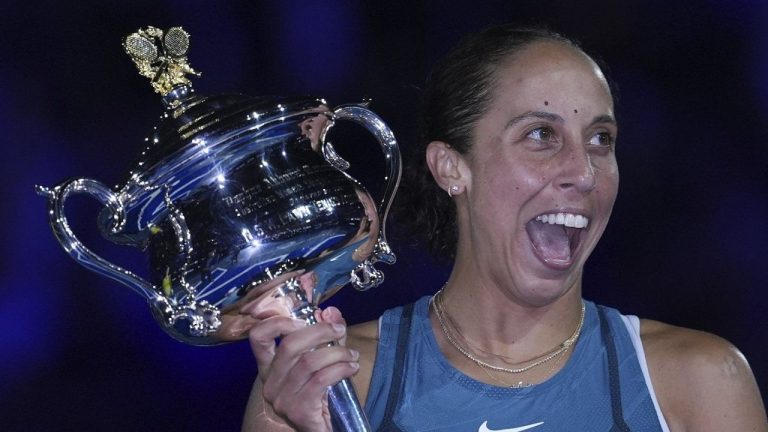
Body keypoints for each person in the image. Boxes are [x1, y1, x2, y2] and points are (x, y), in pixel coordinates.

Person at [240, 25, 767, 431]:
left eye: (601, 139)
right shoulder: (335, 384)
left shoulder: (702, 382)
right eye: (541, 134)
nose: (584, 172)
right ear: (452, 167)